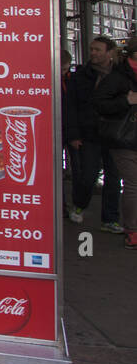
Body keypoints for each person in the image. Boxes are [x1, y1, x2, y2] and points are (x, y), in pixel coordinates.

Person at [65, 36, 122, 231]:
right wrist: (73, 134)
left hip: (115, 135)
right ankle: (80, 205)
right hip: (89, 134)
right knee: (87, 175)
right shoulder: (81, 76)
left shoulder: (121, 75)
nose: (93, 53)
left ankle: (110, 219)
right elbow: (70, 107)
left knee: (113, 177)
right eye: (91, 49)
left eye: (98, 50)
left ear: (109, 52)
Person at [93, 35, 137, 250]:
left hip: (127, 137)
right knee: (132, 184)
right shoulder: (119, 76)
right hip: (124, 139)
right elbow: (99, 103)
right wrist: (126, 101)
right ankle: (132, 231)